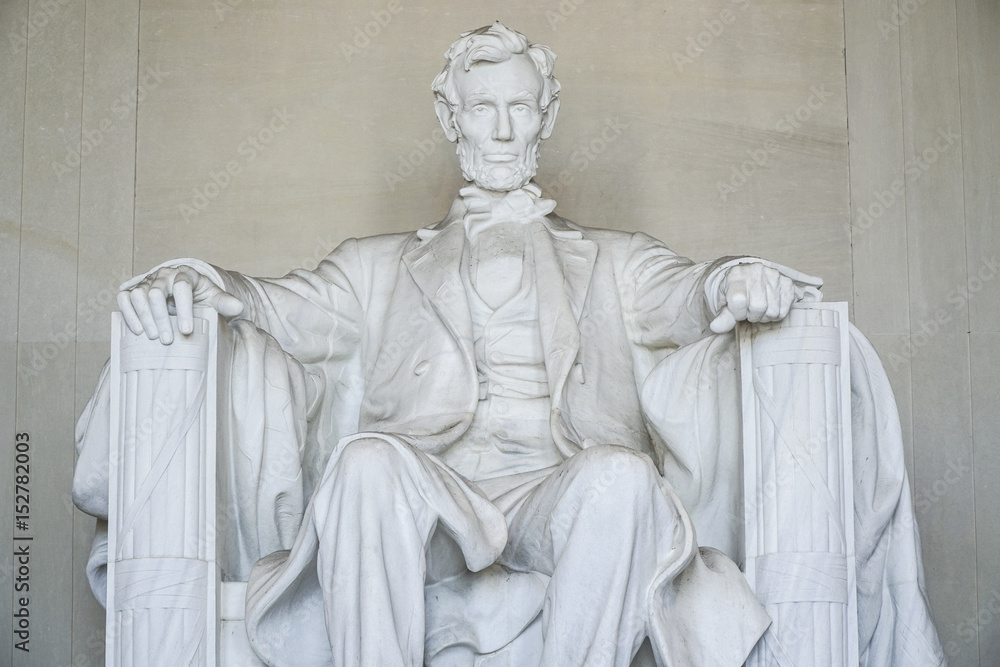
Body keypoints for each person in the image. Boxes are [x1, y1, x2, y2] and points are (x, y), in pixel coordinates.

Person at [85, 22, 942, 667]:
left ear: (547, 117)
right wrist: (202, 280)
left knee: (621, 475)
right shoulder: (379, 269)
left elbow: (690, 294)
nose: (501, 129)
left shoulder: (611, 259)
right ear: (449, 118)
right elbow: (277, 307)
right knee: (366, 463)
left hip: (555, 494)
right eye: (482, 109)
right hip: (429, 500)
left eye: (519, 108)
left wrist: (735, 279)